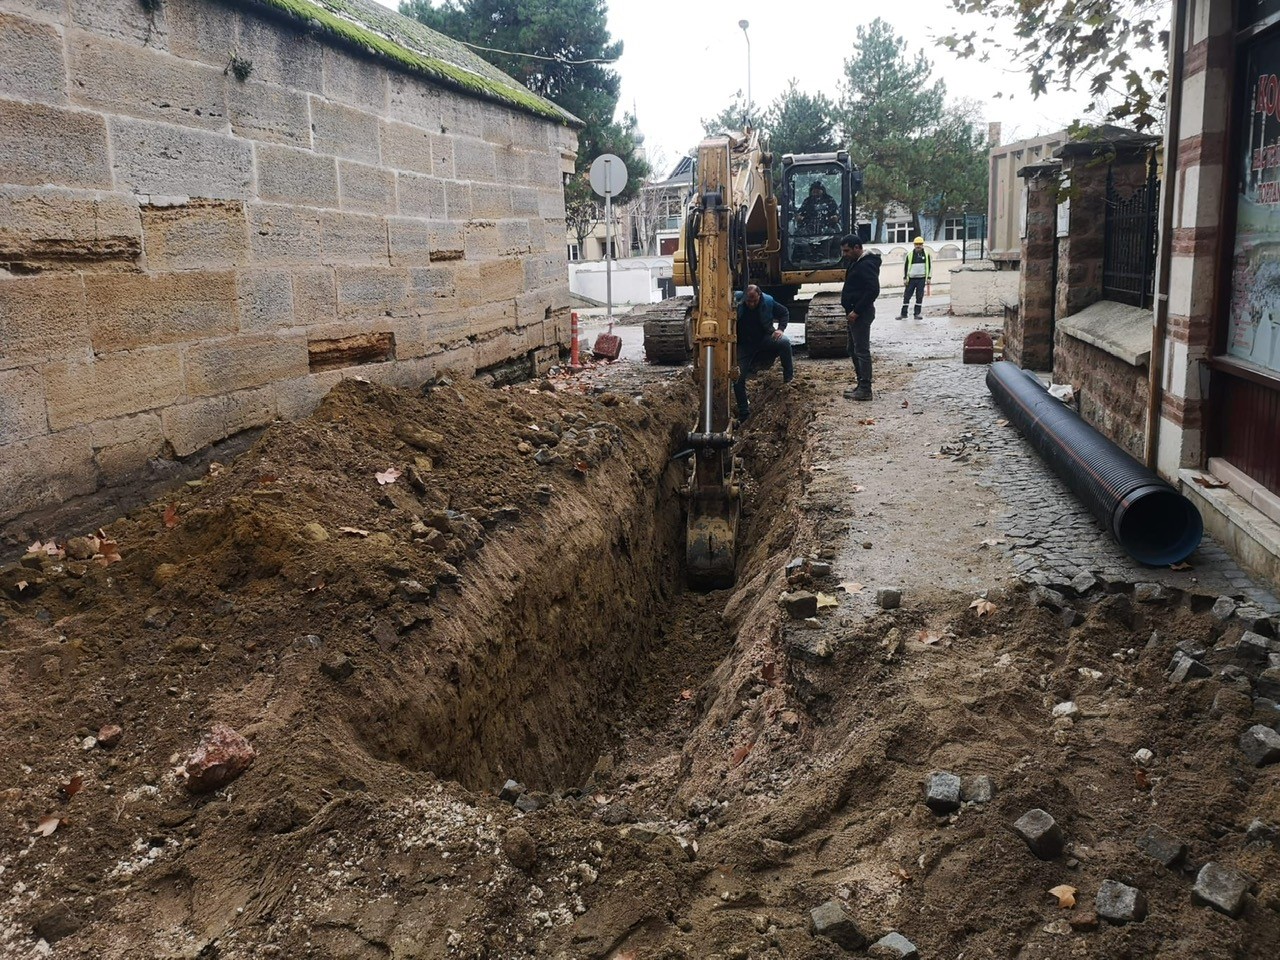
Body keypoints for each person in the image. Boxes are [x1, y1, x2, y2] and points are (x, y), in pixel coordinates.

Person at [733, 284, 794, 421]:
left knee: (784, 342)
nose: (751, 304)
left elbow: (784, 312)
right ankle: (744, 413)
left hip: (764, 337)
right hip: (744, 344)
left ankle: (788, 378)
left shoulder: (768, 301)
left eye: (754, 301)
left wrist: (780, 329)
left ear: (759, 296)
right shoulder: (735, 300)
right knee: (737, 378)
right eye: (748, 301)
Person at [840, 235, 881, 401]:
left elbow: (873, 290)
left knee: (862, 351)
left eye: (847, 250)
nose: (844, 254)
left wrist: (856, 311)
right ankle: (860, 384)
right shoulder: (856, 263)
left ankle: (865, 388)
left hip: (860, 314)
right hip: (854, 314)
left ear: (858, 247)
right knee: (852, 349)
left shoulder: (866, 265)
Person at [899, 236, 931, 319]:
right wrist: (905, 278)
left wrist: (929, 278)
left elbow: (929, 266)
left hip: (921, 278)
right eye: (917, 244)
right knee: (907, 296)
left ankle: (917, 314)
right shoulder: (910, 255)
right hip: (911, 279)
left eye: (920, 244)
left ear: (922, 245)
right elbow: (906, 267)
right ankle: (903, 314)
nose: (918, 246)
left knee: (919, 296)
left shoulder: (926, 255)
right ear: (914, 245)